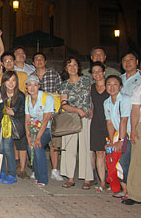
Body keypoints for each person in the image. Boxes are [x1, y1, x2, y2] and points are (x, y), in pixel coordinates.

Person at [59, 57, 93, 189]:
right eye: (69, 65)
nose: (72, 67)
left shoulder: (86, 80)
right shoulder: (64, 85)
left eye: (74, 65)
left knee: (86, 147)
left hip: (87, 117)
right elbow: (63, 104)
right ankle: (70, 178)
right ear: (66, 69)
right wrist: (77, 110)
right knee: (69, 148)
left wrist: (90, 111)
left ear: (78, 67)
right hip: (71, 118)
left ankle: (87, 178)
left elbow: (92, 98)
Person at [30, 52, 63, 181]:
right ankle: (36, 169)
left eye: (41, 59)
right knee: (35, 142)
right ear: (33, 63)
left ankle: (54, 170)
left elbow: (61, 92)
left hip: (53, 114)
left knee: (54, 143)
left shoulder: (53, 74)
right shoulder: (31, 76)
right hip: (36, 116)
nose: (39, 61)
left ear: (45, 61)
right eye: (36, 59)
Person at [123, 57, 141, 205]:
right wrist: (133, 130)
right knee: (139, 161)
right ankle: (135, 194)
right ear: (140, 71)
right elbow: (135, 111)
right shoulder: (138, 89)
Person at [104, 75, 132, 199]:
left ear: (120, 86)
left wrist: (120, 140)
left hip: (129, 135)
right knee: (115, 162)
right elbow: (109, 123)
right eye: (109, 84)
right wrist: (111, 141)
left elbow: (124, 120)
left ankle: (128, 190)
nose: (112, 87)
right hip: (118, 135)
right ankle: (123, 188)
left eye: (115, 84)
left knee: (123, 162)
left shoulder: (125, 99)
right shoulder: (107, 102)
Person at [25, 74, 55, 186]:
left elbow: (46, 119)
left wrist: (37, 138)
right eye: (30, 85)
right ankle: (37, 175)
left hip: (47, 128)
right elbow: (27, 118)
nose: (32, 88)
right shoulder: (27, 99)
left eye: (35, 85)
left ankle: (43, 178)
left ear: (39, 86)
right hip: (33, 128)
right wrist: (28, 136)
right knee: (30, 145)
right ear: (26, 87)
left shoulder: (47, 98)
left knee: (38, 145)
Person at [0, 71, 25, 184]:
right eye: (8, 80)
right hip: (0, 124)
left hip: (12, 125)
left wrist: (14, 114)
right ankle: (3, 171)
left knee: (8, 148)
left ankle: (12, 173)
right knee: (1, 148)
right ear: (3, 82)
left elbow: (23, 112)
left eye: (13, 80)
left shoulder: (20, 96)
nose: (11, 83)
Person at [89, 62, 109, 192]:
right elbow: (92, 105)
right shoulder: (91, 88)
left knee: (111, 153)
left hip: (110, 122)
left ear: (104, 72)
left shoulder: (111, 85)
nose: (97, 74)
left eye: (99, 71)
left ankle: (113, 180)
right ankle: (102, 182)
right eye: (94, 71)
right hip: (96, 122)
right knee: (99, 153)